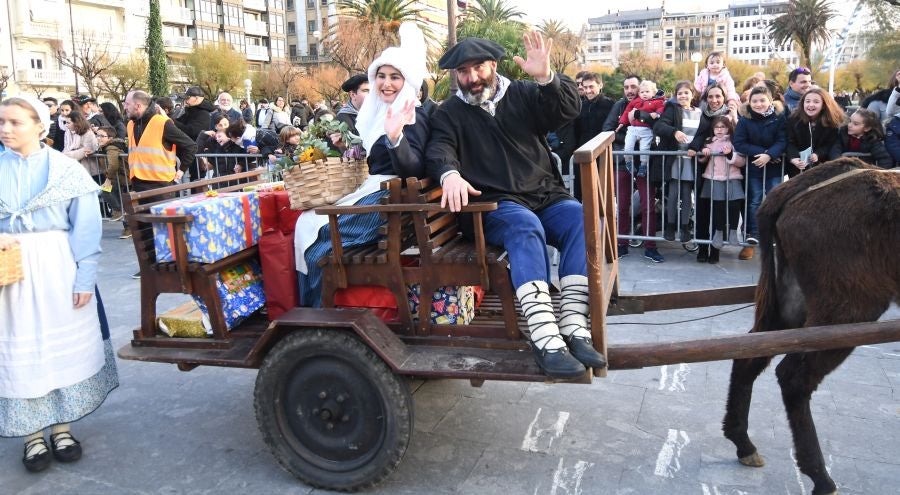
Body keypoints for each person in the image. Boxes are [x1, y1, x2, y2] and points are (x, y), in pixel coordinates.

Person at [426, 33, 607, 378]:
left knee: (580, 218)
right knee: (525, 226)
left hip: (544, 194)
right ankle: (544, 339)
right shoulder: (449, 113)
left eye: (478, 67)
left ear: (493, 65)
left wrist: (546, 78)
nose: (472, 77)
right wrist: (448, 173)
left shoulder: (523, 93)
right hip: (494, 205)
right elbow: (439, 149)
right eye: (463, 71)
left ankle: (572, 325)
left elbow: (566, 110)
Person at [0, 95, 119, 473]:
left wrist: (84, 277)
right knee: (23, 349)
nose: (5, 129)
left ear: (39, 125)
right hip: (10, 272)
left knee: (56, 345)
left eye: (14, 122)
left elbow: (86, 229)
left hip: (56, 267)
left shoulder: (65, 172)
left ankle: (62, 428)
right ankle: (32, 434)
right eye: (1, 122)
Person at [296, 22, 430, 308]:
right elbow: (376, 157)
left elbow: (414, 169)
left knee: (316, 249)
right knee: (308, 226)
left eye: (396, 77)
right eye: (381, 75)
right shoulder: (379, 113)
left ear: (408, 82)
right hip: (383, 201)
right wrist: (347, 148)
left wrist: (396, 136)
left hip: (387, 206)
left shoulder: (411, 114)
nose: (386, 83)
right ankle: (311, 314)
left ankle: (315, 318)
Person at [733, 85, 787, 261]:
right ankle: (752, 237)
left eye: (762, 100)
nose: (758, 104)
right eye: (754, 101)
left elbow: (783, 140)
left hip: (774, 167)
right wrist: (764, 153)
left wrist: (770, 155)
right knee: (754, 201)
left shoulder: (779, 117)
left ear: (770, 101)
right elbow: (740, 143)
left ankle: (776, 238)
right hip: (755, 167)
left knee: (775, 202)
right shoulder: (745, 119)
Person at [653, 81, 701, 245]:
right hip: (676, 157)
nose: (683, 96)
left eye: (686, 92)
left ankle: (685, 226)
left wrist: (696, 146)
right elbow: (659, 126)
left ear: (692, 94)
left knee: (687, 194)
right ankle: (670, 225)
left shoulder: (699, 112)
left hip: (691, 158)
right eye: (679, 93)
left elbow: (702, 133)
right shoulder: (672, 109)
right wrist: (674, 132)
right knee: (672, 193)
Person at [603, 74, 644, 258]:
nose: (629, 90)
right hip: (621, 161)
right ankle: (622, 243)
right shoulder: (619, 105)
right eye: (626, 87)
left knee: (648, 203)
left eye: (633, 86)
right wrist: (631, 137)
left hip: (646, 161)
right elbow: (607, 129)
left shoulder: (651, 103)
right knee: (623, 203)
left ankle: (650, 243)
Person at [695, 115, 745, 264]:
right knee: (718, 209)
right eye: (716, 127)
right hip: (714, 179)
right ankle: (714, 242)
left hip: (733, 178)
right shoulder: (710, 143)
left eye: (722, 127)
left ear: (728, 128)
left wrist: (731, 154)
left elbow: (742, 161)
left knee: (735, 205)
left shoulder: (734, 142)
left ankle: (732, 233)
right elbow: (703, 159)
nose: (719, 130)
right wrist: (703, 153)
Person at [571, 72, 614, 200]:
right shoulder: (580, 106)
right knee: (581, 191)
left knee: (601, 194)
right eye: (585, 87)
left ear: (600, 85)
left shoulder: (610, 104)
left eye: (591, 87)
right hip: (582, 154)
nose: (588, 91)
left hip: (602, 155)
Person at [785, 88, 844, 177]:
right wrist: (793, 158)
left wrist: (818, 154)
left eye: (816, 102)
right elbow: (789, 141)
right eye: (807, 101)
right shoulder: (793, 120)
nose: (811, 105)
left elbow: (830, 144)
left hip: (821, 169)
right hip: (798, 168)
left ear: (824, 105)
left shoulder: (831, 123)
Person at [615, 79, 665, 179]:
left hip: (646, 130)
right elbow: (627, 111)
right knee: (628, 146)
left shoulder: (657, 101)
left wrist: (657, 113)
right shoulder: (635, 101)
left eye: (647, 92)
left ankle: (643, 165)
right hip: (633, 128)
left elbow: (662, 108)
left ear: (653, 93)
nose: (644, 94)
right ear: (639, 93)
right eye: (642, 92)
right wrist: (622, 123)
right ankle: (628, 162)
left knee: (644, 149)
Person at [95, 126, 129, 234]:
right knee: (121, 201)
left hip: (121, 179)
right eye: (97, 135)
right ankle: (123, 219)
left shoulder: (111, 148)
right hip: (117, 178)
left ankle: (119, 212)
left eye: (101, 136)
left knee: (106, 192)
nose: (98, 138)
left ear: (110, 138)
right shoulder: (106, 147)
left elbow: (113, 165)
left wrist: (108, 179)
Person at [62, 109, 100, 180]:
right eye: (65, 122)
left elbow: (87, 149)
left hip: (89, 169)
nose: (66, 125)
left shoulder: (88, 133)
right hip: (74, 168)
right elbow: (66, 147)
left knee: (97, 189)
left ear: (76, 123)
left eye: (68, 123)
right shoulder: (67, 133)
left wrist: (65, 156)